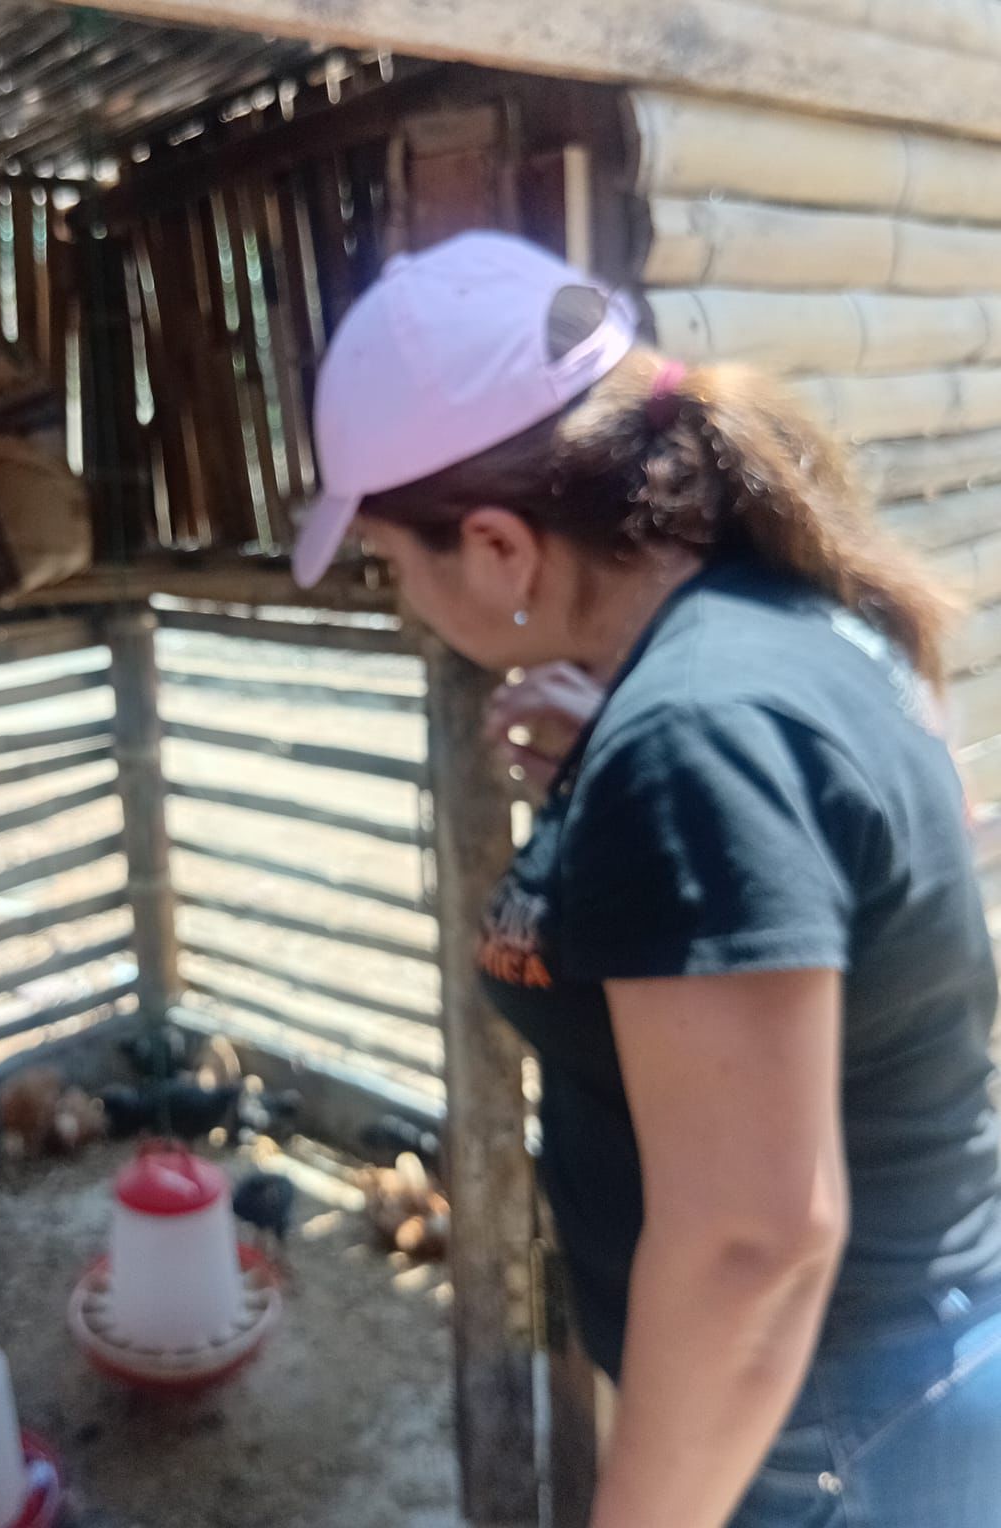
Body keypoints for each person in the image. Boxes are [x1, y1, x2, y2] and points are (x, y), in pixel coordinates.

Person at [294, 232, 1001, 1527]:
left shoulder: (696, 739)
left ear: (498, 547)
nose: (403, 601)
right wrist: (611, 754)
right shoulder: (767, 632)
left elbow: (754, 1247)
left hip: (826, 1425)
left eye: (396, 564)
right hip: (876, 1385)